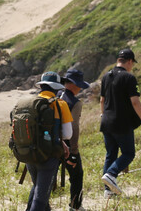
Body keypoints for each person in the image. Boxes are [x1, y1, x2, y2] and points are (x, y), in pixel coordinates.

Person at [100, 48, 141, 196]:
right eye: (132, 63)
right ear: (129, 61)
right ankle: (111, 174)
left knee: (111, 154)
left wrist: (103, 115)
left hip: (106, 121)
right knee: (128, 153)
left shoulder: (105, 77)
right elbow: (135, 102)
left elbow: (102, 100)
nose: (132, 66)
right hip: (121, 122)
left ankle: (108, 191)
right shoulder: (129, 78)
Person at [26, 71, 73, 211]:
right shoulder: (60, 104)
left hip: (28, 154)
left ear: (41, 86)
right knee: (41, 198)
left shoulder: (30, 103)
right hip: (49, 156)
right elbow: (68, 134)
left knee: (38, 188)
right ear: (56, 88)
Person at [57, 68, 90, 211]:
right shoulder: (75, 103)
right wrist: (74, 153)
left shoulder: (55, 95)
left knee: (48, 177)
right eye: (79, 85)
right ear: (74, 84)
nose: (79, 88)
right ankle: (75, 206)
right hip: (67, 145)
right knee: (77, 175)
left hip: (50, 142)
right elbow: (74, 128)